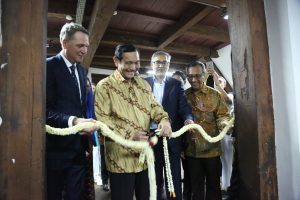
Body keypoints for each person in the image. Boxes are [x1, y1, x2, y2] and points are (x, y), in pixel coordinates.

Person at [94, 44, 172, 200]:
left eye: (136, 62)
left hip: (144, 158)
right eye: (128, 63)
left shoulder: (143, 84)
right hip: (120, 160)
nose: (134, 67)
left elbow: (154, 107)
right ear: (116, 61)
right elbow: (103, 121)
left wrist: (163, 120)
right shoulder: (105, 86)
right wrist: (130, 135)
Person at [46, 22, 98, 200]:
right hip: (55, 151)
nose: (84, 50)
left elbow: (81, 107)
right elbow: (43, 111)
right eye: (80, 45)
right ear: (64, 42)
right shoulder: (47, 67)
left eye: (86, 46)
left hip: (78, 150)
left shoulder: (83, 72)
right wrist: (74, 122)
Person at [145, 51, 193, 200]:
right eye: (157, 62)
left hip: (171, 139)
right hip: (151, 138)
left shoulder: (176, 84)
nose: (160, 65)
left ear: (168, 65)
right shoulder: (143, 83)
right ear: (152, 64)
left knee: (174, 180)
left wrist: (188, 119)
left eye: (164, 62)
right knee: (154, 180)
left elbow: (183, 107)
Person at [185, 61, 231, 200]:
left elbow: (223, 116)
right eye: (190, 76)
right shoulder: (184, 96)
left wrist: (225, 126)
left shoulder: (215, 95)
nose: (194, 79)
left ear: (205, 75)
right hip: (191, 151)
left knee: (214, 188)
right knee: (196, 188)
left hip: (212, 150)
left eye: (198, 75)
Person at [172, 70, 192, 200]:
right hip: (171, 139)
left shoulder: (187, 96)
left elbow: (186, 114)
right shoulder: (166, 95)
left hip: (186, 141)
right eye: (173, 79)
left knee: (188, 173)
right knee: (172, 173)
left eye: (178, 80)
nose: (175, 82)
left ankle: (186, 197)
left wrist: (184, 146)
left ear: (184, 82)